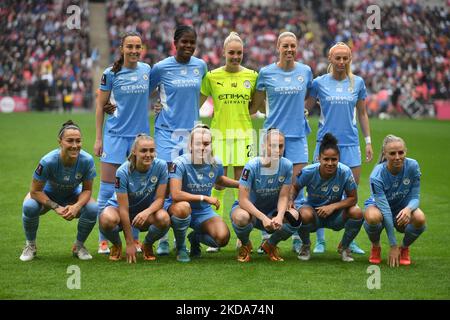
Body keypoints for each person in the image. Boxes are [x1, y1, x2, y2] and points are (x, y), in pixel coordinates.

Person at [305, 41, 372, 255]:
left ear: (350, 59)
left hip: (351, 144)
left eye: (345, 58)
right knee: (317, 192)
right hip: (325, 145)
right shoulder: (319, 83)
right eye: (338, 58)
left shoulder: (358, 83)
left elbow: (362, 113)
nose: (341, 62)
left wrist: (368, 141)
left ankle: (348, 242)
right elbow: (305, 108)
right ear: (330, 59)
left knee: (351, 194)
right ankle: (320, 240)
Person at [252, 31, 313, 254]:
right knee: (269, 187)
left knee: (296, 189)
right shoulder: (266, 73)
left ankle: (298, 235)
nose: (289, 49)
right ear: (277, 47)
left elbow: (311, 95)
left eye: (293, 46)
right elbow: (256, 104)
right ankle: (266, 232)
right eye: (285, 45)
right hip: (272, 137)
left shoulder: (305, 71)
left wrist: (303, 110)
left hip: (297, 136)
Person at [149, 25, 208, 255]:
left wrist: (194, 107)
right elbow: (146, 91)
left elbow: (203, 91)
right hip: (166, 134)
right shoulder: (161, 68)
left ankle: (180, 237)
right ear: (175, 42)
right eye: (184, 42)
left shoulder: (201, 66)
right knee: (163, 186)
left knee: (183, 186)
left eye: (192, 42)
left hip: (191, 136)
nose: (188, 46)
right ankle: (162, 235)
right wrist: (157, 106)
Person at [199, 32, 258, 252]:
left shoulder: (252, 76)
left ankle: (241, 236)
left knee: (242, 184)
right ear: (223, 53)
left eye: (239, 53)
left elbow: (256, 106)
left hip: (244, 136)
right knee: (218, 183)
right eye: (231, 52)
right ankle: (217, 231)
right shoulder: (212, 76)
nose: (235, 56)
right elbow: (197, 102)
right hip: (219, 135)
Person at [95, 31, 151, 254]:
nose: (134, 51)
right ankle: (103, 239)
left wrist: (159, 106)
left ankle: (135, 238)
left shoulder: (147, 70)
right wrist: (99, 138)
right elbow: (100, 106)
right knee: (107, 191)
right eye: (130, 47)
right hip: (115, 137)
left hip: (139, 140)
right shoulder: (110, 73)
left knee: (135, 190)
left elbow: (159, 90)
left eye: (138, 47)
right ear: (122, 48)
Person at [20, 121, 98, 261]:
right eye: (70, 141)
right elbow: (35, 191)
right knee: (29, 206)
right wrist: (56, 207)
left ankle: (79, 246)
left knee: (93, 208)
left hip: (72, 195)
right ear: (60, 142)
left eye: (78, 141)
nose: (75, 145)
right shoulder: (48, 161)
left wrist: (76, 206)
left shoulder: (87, 160)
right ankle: (30, 245)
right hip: (47, 195)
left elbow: (87, 190)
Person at [167, 124, 239, 262]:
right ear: (190, 146)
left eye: (206, 144)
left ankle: (194, 238)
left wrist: (240, 185)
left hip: (202, 211)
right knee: (183, 207)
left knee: (222, 238)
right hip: (178, 208)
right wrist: (204, 198)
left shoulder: (215, 163)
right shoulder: (179, 163)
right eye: (198, 144)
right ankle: (181, 247)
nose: (202, 147)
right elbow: (175, 194)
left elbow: (219, 179)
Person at [291, 133, 364, 262]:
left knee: (357, 212)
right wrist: (290, 201)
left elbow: (353, 198)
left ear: (338, 159)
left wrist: (332, 207)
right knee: (303, 213)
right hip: (314, 214)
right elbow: (295, 187)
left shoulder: (345, 172)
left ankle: (344, 246)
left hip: (336, 215)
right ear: (319, 158)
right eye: (326, 159)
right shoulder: (308, 171)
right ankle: (306, 245)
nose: (330, 163)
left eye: (334, 159)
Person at [231, 128, 301, 262]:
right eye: (272, 146)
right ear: (264, 146)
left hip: (272, 212)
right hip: (250, 212)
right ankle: (245, 244)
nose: (277, 150)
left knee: (295, 217)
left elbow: (283, 196)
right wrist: (263, 218)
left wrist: (280, 216)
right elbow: (243, 200)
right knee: (241, 218)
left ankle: (270, 245)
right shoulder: (251, 166)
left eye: (280, 146)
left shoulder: (286, 165)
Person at [99, 134, 170, 263]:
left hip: (145, 213)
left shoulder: (161, 166)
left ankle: (147, 245)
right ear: (134, 151)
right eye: (143, 150)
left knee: (164, 218)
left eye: (151, 150)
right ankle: (117, 244)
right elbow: (123, 209)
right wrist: (130, 242)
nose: (148, 154)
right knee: (106, 219)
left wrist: (146, 212)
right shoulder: (122, 172)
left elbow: (160, 199)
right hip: (120, 211)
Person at [364, 134, 426, 267]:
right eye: (392, 153)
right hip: (380, 208)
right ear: (385, 154)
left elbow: (415, 197)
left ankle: (404, 248)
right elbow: (385, 210)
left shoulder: (413, 165)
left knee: (420, 218)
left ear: (405, 152)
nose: (397, 157)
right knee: (372, 217)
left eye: (400, 152)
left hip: (401, 208)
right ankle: (376, 246)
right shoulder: (377, 175)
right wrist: (392, 245)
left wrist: (408, 209)